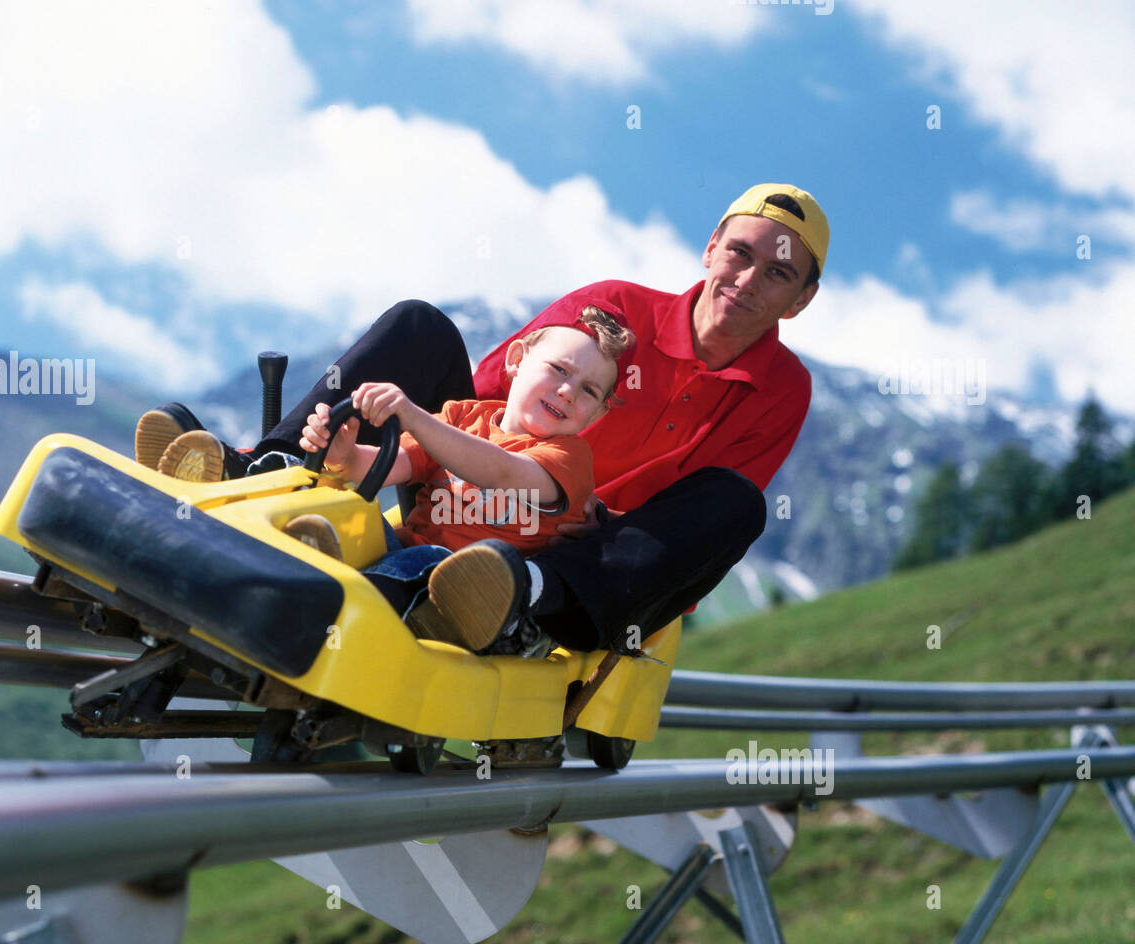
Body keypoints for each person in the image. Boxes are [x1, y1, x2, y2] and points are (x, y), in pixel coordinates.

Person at [134, 182, 827, 656]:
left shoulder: (781, 390)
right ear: (711, 247)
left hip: (581, 550)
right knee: (421, 327)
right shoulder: (613, 306)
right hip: (473, 484)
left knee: (737, 504)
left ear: (801, 300)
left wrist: (588, 523)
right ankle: (276, 471)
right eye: (742, 252)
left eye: (778, 273)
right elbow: (488, 401)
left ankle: (521, 595)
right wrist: (373, 445)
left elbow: (695, 515)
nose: (747, 277)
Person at [296, 304, 632, 649]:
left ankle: (341, 597)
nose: (567, 392)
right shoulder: (461, 416)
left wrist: (413, 416)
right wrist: (343, 455)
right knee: (358, 514)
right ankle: (318, 563)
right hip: (407, 556)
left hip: (480, 599)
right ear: (516, 358)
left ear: (598, 413)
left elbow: (503, 472)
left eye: (589, 390)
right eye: (559, 369)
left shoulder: (570, 458)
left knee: (428, 562)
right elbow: (387, 466)